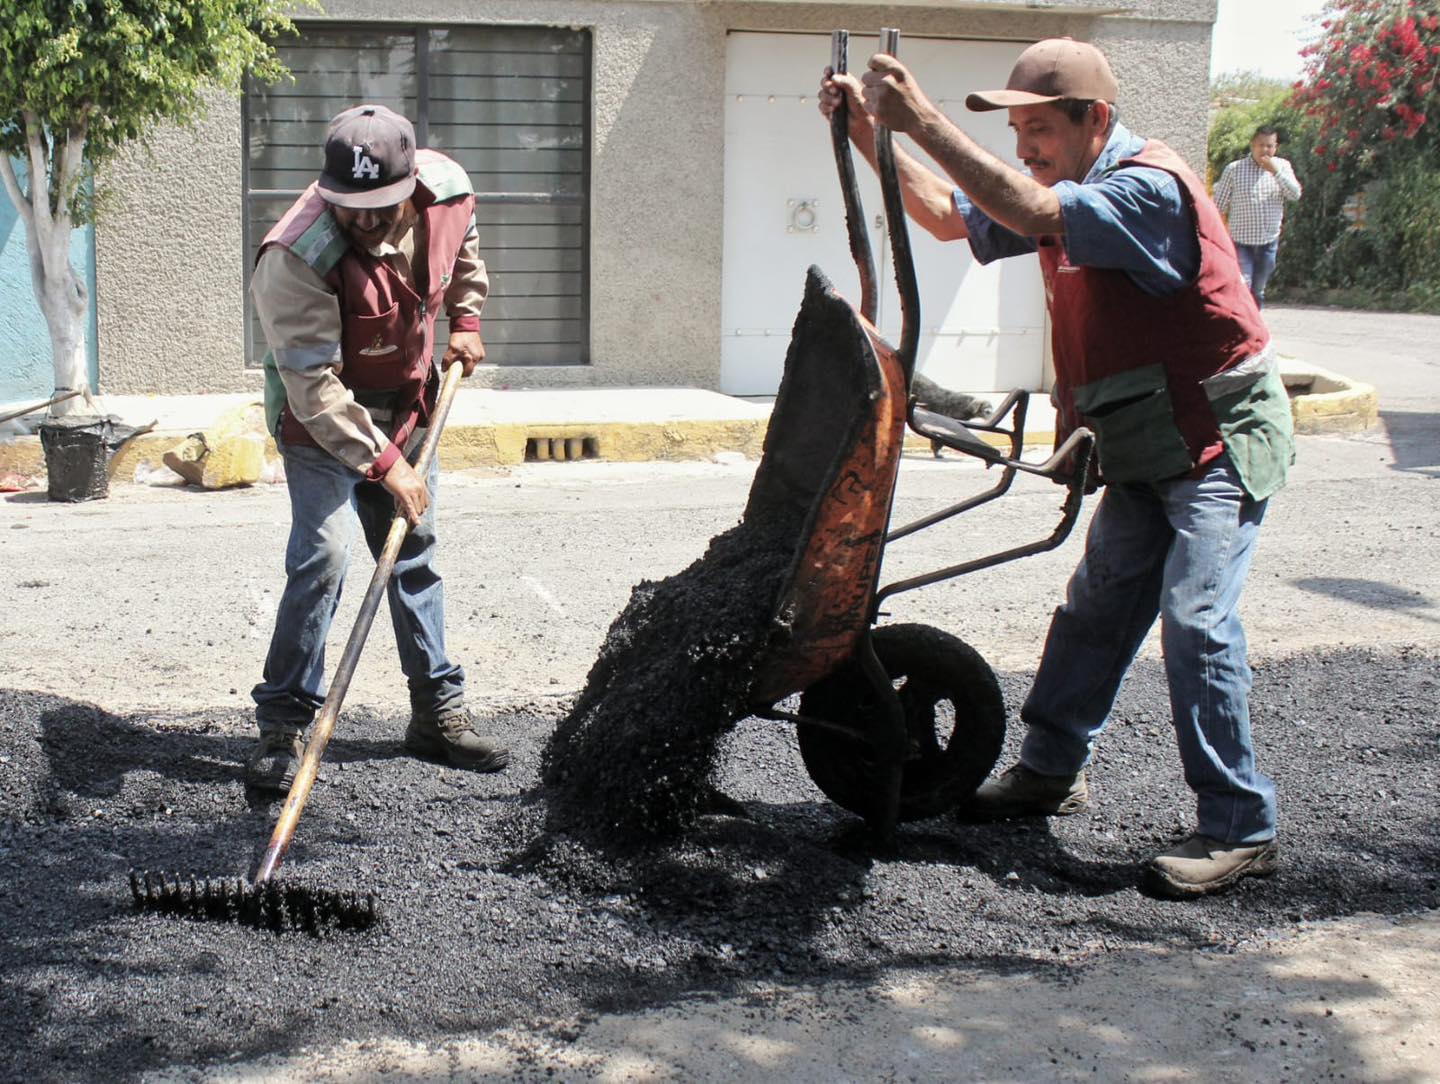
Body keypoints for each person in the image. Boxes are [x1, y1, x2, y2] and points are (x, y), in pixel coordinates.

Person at [820, 39, 1294, 897]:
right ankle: (1047, 771)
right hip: (1149, 433)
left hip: (1217, 432)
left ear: (1095, 121)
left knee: (1195, 618)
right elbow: (944, 216)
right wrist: (865, 130)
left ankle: (1240, 825)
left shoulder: (1147, 189)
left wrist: (918, 117)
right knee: (1096, 607)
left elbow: (1035, 211)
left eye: (1040, 128)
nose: (1026, 145)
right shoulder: (1060, 193)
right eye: (1020, 131)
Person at [246, 104, 509, 792]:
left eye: (379, 207)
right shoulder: (295, 256)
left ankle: (435, 715)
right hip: (321, 422)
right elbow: (313, 386)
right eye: (348, 207)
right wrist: (384, 465)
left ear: (410, 183)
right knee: (324, 557)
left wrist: (468, 318)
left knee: (414, 551)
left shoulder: (446, 191)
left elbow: (465, 252)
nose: (363, 220)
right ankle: (282, 727)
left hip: (409, 405)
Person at [1212, 126, 1302, 308]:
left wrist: (1275, 172)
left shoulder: (1283, 167)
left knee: (1258, 289)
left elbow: (1295, 194)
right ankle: (1243, 328)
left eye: (1270, 146)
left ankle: (1255, 326)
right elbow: (1218, 204)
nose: (1265, 150)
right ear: (1253, 145)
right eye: (1261, 145)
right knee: (1244, 285)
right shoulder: (1234, 169)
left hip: (1268, 241)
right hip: (1241, 241)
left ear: (1275, 147)